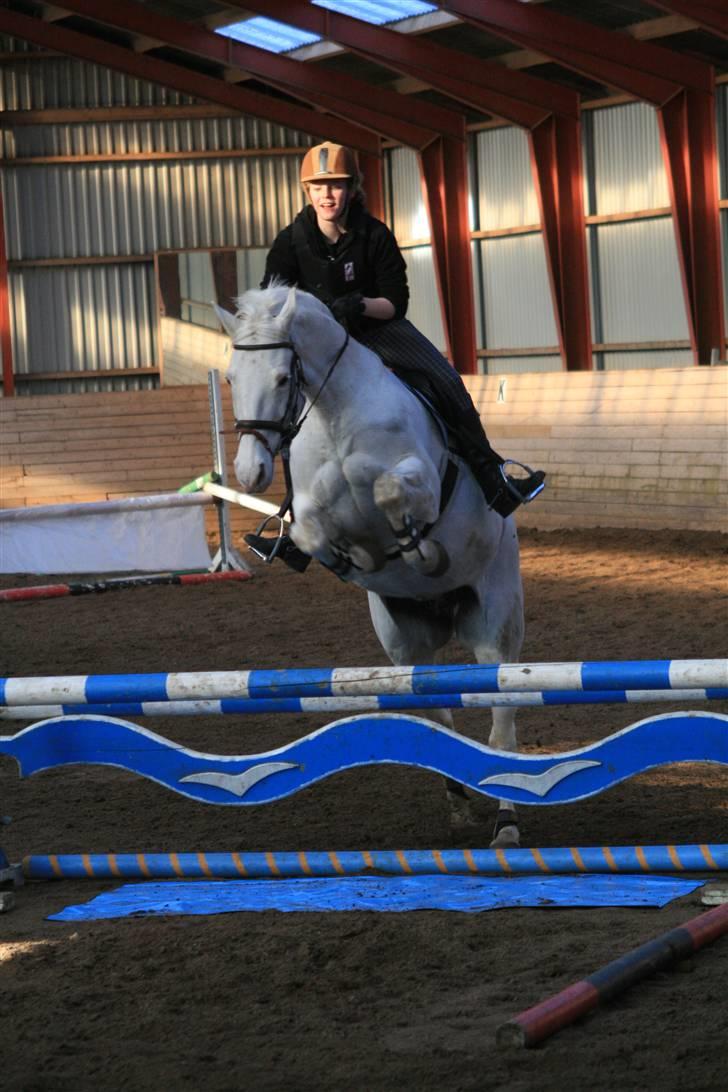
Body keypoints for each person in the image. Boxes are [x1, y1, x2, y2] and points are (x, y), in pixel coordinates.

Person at [246, 141, 545, 570]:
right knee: (287, 409)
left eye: (336, 186)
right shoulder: (290, 242)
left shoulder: (374, 235)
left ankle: (493, 476)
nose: (328, 195)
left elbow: (395, 302)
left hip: (377, 330)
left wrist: (359, 305)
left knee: (444, 378)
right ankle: (290, 522)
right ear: (306, 192)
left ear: (352, 189)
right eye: (319, 187)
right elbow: (273, 300)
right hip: (321, 346)